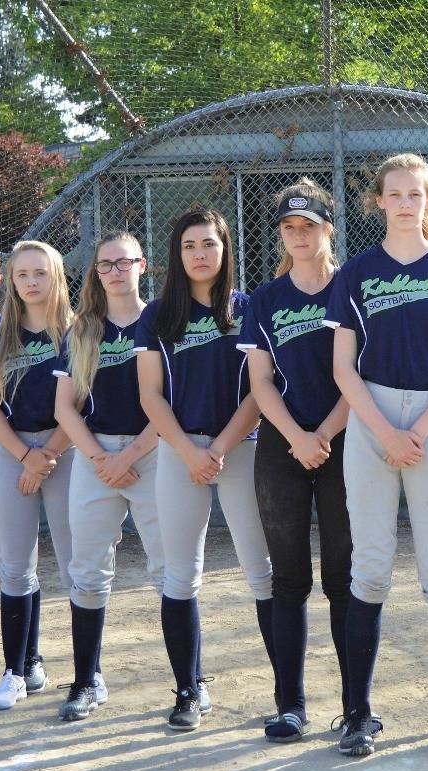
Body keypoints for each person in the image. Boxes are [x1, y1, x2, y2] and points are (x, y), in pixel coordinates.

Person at [326, 153, 428, 756]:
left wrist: (419, 426)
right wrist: (386, 432)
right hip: (370, 420)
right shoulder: (357, 272)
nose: (403, 203)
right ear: (379, 202)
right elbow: (343, 366)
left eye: (414, 194)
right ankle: (359, 713)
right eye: (393, 194)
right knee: (369, 567)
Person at [136, 209, 275, 731]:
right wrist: (191, 451)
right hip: (179, 452)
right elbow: (150, 395)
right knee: (180, 575)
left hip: (241, 447)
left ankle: (286, 690)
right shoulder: (157, 315)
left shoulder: (248, 308)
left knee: (260, 570)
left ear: (225, 249)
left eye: (209, 244)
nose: (200, 253)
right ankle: (189, 690)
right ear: (177, 253)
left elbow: (260, 392)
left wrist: (218, 446)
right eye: (190, 245)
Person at [241, 180, 353, 742]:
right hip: (282, 449)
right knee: (288, 580)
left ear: (329, 228)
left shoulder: (352, 287)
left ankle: (356, 706)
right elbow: (260, 381)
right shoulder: (266, 299)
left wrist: (324, 434)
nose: (299, 235)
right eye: (289, 227)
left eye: (309, 226)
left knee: (344, 578)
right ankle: (291, 705)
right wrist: (296, 436)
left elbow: (358, 376)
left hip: (341, 445)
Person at [53, 232, 164, 721]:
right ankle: (85, 680)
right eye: (105, 265)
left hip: (155, 453)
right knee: (89, 573)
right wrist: (100, 457)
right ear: (95, 273)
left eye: (124, 262)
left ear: (142, 265)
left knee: (171, 572)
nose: (116, 271)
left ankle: (190, 681)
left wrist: (132, 454)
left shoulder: (162, 321)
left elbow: (170, 403)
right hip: (95, 458)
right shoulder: (83, 330)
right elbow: (65, 408)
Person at [0, 240, 75, 710]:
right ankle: (16, 670)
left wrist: (47, 455)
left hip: (66, 452)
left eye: (40, 273)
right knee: (14, 568)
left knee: (79, 568)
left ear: (56, 276)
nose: (31, 282)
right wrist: (23, 455)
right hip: (12, 454)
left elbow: (81, 407)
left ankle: (85, 674)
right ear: (10, 282)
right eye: (21, 275)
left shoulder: (79, 332)